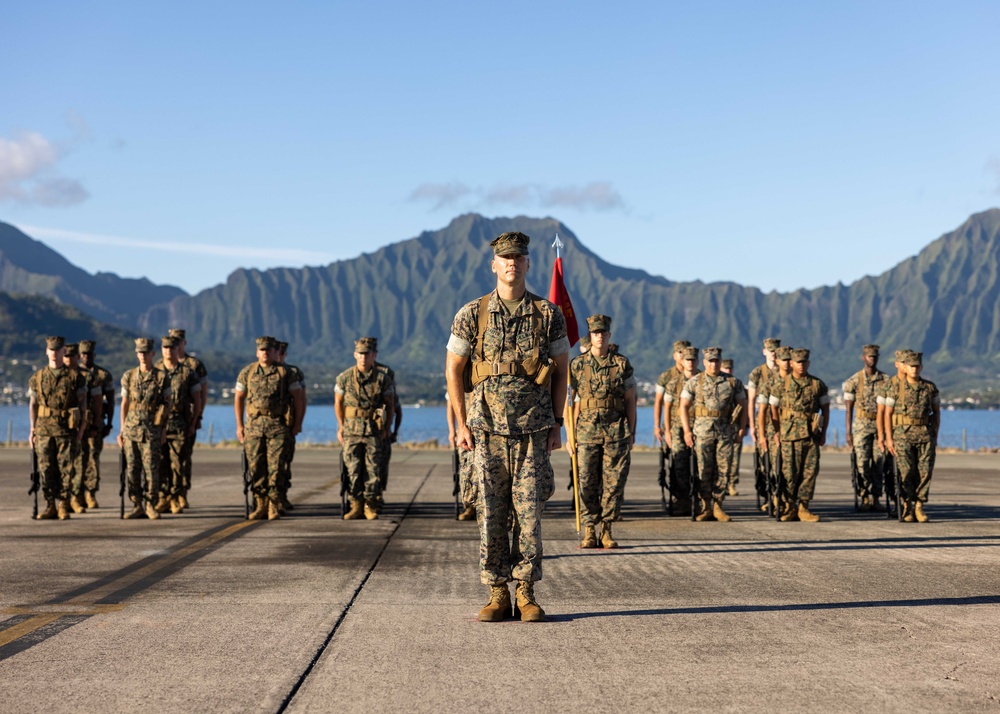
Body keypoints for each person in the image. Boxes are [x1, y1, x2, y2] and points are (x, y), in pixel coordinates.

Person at [445, 231, 569, 623]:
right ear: (494, 265)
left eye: (518, 257)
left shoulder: (548, 315)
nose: (511, 263)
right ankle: (497, 593)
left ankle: (527, 593)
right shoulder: (472, 313)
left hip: (533, 431)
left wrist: (558, 423)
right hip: (485, 431)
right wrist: (461, 424)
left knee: (529, 514)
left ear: (528, 264)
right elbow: (454, 370)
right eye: (504, 258)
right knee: (491, 512)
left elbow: (562, 372)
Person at [567, 314, 636, 548]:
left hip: (616, 431)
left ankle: (606, 530)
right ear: (590, 336)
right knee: (586, 481)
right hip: (585, 433)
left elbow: (630, 401)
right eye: (595, 333)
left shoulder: (622, 364)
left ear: (609, 335)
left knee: (613, 483)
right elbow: (570, 403)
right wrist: (569, 435)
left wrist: (632, 433)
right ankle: (589, 530)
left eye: (603, 333)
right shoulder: (577, 365)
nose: (599, 336)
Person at [235, 336, 305, 521]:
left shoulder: (287, 373)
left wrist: (297, 424)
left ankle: (274, 505)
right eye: (262, 350)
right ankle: (260, 504)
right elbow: (239, 398)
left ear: (275, 352)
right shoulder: (247, 372)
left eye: (269, 350)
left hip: (278, 426)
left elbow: (298, 398)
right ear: (257, 352)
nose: (265, 353)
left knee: (277, 468)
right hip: (254, 427)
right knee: (256, 467)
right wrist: (239, 425)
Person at [679, 347, 748, 521]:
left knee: (723, 469)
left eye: (716, 360)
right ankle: (706, 506)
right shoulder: (695, 382)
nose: (713, 364)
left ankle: (718, 506)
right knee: (704, 470)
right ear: (704, 362)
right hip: (702, 433)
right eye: (710, 361)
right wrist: (687, 431)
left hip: (725, 432)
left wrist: (741, 429)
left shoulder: (733, 382)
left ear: (720, 361)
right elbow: (683, 407)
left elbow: (744, 406)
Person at [28, 336, 88, 520]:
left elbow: (83, 405)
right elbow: (33, 405)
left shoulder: (75, 377)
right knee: (46, 469)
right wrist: (32, 430)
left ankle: (63, 505)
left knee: (65, 469)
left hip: (65, 431)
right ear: (47, 352)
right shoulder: (37, 378)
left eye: (58, 350)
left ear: (64, 352)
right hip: (44, 430)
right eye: (51, 350)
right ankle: (49, 505)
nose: (54, 353)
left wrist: (81, 430)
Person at [335, 337, 396, 520]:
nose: (363, 357)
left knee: (373, 469)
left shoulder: (382, 379)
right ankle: (356, 505)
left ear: (374, 355)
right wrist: (340, 426)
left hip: (373, 431)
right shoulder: (344, 377)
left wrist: (387, 427)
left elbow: (390, 404)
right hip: (352, 431)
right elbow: (338, 402)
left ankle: (370, 505)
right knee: (352, 469)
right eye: (360, 354)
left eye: (367, 354)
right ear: (355, 355)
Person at [768, 348, 829, 522]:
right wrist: (776, 431)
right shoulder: (781, 384)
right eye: (798, 362)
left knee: (809, 472)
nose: (802, 365)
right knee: (788, 473)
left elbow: (825, 409)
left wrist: (823, 433)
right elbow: (773, 409)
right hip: (789, 435)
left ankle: (804, 507)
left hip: (811, 436)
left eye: (805, 362)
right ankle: (789, 507)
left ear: (808, 363)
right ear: (792, 363)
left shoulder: (818, 384)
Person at [118, 338, 172, 520]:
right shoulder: (129, 376)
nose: (142, 356)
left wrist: (163, 429)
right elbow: (124, 404)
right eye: (139, 352)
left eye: (145, 352)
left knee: (151, 469)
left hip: (152, 430)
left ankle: (151, 504)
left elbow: (167, 405)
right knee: (132, 469)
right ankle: (137, 504)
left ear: (152, 354)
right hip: (132, 429)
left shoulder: (162, 377)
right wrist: (121, 430)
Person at [884, 351, 940, 523]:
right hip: (903, 436)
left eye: (917, 366)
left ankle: (919, 506)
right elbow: (888, 414)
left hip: (925, 434)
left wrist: (935, 435)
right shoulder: (895, 388)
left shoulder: (930, 388)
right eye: (911, 366)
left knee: (924, 472)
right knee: (906, 472)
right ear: (905, 368)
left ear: (921, 367)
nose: (914, 369)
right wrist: (889, 439)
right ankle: (907, 504)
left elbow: (937, 412)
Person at [157, 328, 208, 509]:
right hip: (160, 423)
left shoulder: (192, 367)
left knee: (181, 460)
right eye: (168, 345)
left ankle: (180, 494)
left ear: (183, 343)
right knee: (162, 461)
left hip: (183, 421)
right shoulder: (156, 369)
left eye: (176, 342)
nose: (172, 347)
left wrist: (197, 417)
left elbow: (201, 394)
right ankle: (164, 495)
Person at [843, 344, 888, 511]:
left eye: (875, 356)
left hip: (880, 426)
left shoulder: (886, 380)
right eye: (869, 356)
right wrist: (848, 432)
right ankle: (863, 496)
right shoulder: (854, 381)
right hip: (861, 426)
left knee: (879, 463)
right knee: (862, 463)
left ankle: (876, 497)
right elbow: (849, 409)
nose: (872, 359)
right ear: (863, 358)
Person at [62, 343, 103, 514]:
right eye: (67, 356)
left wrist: (96, 423)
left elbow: (98, 401)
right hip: (61, 427)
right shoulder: (57, 375)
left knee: (81, 462)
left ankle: (77, 497)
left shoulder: (88, 376)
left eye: (73, 356)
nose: (70, 359)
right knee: (63, 463)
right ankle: (63, 499)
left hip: (83, 427)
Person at [654, 340, 693, 515]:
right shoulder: (667, 377)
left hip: (694, 425)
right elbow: (659, 403)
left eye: (685, 352)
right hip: (674, 426)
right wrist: (658, 427)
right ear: (674, 355)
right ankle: (679, 499)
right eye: (679, 352)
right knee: (676, 464)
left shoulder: (698, 375)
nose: (682, 356)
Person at [756, 345, 792, 512]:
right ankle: (775, 498)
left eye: (790, 359)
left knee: (791, 468)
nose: (788, 363)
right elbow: (762, 412)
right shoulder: (769, 384)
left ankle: (789, 501)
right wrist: (762, 435)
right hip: (773, 432)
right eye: (784, 360)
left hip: (794, 431)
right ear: (778, 361)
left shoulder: (799, 381)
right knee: (773, 467)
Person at [79, 340, 115, 509]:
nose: (86, 357)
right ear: (80, 355)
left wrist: (109, 424)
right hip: (77, 423)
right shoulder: (74, 373)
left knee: (93, 458)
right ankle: (76, 493)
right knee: (78, 458)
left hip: (96, 422)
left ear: (95, 355)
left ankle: (91, 493)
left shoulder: (103, 375)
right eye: (84, 354)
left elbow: (111, 400)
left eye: (89, 354)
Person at [275, 341, 307, 512]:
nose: (277, 356)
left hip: (286, 425)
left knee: (284, 463)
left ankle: (282, 496)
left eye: (280, 353)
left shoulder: (293, 373)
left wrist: (298, 424)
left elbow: (301, 400)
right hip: (263, 427)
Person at [446, 391, 477, 521]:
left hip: (484, 429)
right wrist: (452, 431)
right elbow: (451, 406)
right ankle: (470, 506)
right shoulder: (459, 379)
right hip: (464, 432)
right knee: (466, 470)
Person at [375, 357, 402, 491]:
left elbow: (397, 411)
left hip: (384, 433)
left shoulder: (390, 393)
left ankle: (378, 493)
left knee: (382, 466)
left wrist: (394, 431)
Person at [721, 357, 742, 496]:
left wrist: (744, 427)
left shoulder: (736, 384)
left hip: (735, 426)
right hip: (721, 426)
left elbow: (744, 406)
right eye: (726, 368)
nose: (728, 371)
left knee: (734, 458)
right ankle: (721, 484)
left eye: (730, 368)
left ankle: (732, 484)